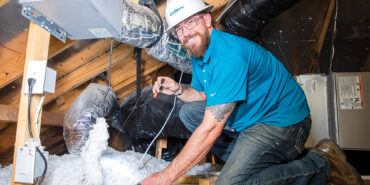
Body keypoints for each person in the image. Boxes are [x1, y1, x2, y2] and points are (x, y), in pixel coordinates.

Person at [139, 0, 364, 184]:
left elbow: (211, 129)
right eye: (179, 28)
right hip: (250, 121)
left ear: (207, 20)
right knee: (188, 112)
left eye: (190, 23)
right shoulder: (200, 54)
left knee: (231, 184)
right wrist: (178, 89)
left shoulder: (228, 56)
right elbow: (203, 96)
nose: (185, 33)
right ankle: (250, 167)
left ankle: (321, 164)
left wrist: (165, 176)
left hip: (283, 122)